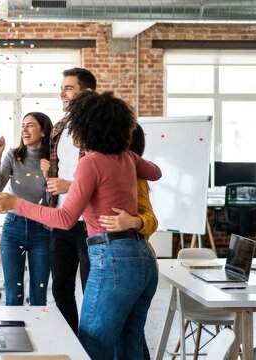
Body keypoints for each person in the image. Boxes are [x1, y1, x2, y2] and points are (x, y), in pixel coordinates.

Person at [0, 91, 162, 358]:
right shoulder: (128, 158)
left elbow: (65, 218)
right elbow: (156, 172)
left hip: (112, 259)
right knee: (130, 345)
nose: (72, 135)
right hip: (144, 259)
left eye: (75, 127)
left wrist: (16, 204)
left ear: (88, 127)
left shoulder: (90, 162)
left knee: (92, 346)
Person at [98, 123, 158, 359]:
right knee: (131, 335)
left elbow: (151, 220)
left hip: (134, 259)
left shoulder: (135, 175)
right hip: (125, 260)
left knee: (126, 336)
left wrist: (133, 222)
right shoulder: (108, 170)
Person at [46, 67, 97, 334]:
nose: (62, 93)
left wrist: (70, 186)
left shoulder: (98, 129)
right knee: (61, 289)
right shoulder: (59, 127)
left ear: (86, 92)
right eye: (62, 87)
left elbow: (103, 178)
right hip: (61, 220)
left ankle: (89, 346)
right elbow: (59, 168)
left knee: (90, 289)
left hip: (88, 224)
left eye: (68, 88)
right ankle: (71, 341)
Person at [0, 112, 53, 305]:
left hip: (42, 229)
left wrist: (47, 174)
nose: (24, 129)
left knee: (38, 295)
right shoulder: (14, 156)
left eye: (31, 125)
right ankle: (12, 335)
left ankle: (38, 334)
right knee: (13, 294)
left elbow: (51, 201)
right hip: (13, 227)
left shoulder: (50, 159)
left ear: (43, 132)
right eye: (23, 125)